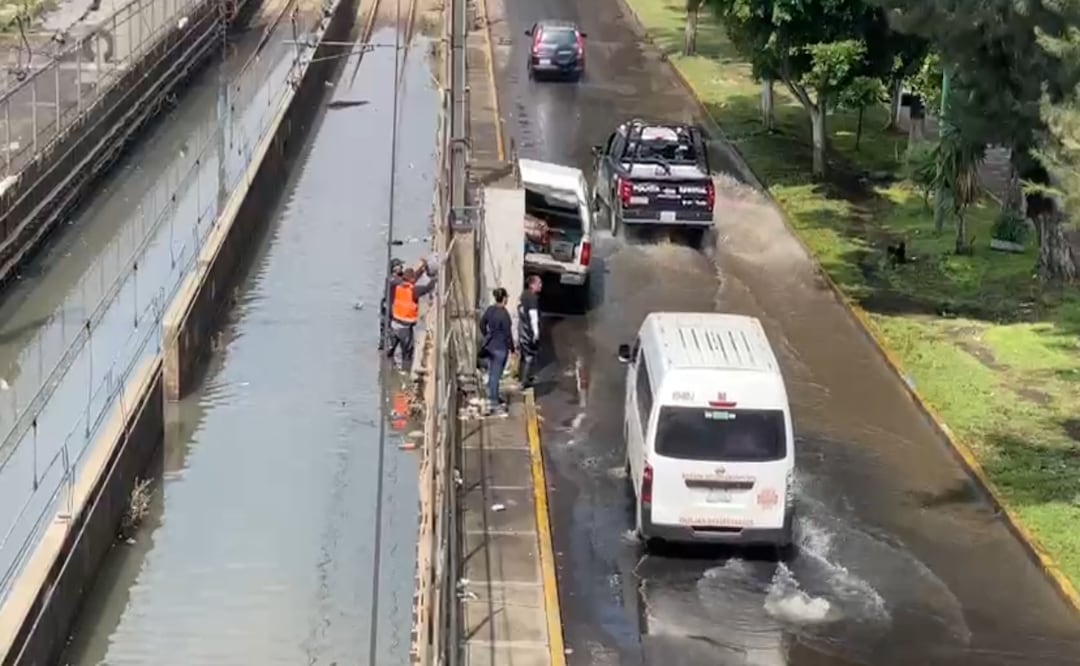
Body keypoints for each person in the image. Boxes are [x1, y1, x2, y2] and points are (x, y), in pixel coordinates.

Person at [387, 258, 436, 370]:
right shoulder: (414, 291)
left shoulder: (398, 286)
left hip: (394, 325)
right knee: (407, 356)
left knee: (391, 352)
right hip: (405, 329)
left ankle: (388, 370)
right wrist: (435, 279)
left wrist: (420, 270)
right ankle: (405, 374)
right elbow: (428, 288)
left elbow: (411, 279)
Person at [480, 287, 514, 415]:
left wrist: (487, 335)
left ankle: (492, 397)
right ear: (504, 299)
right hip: (501, 348)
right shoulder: (504, 315)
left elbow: (482, 324)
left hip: (490, 347)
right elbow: (507, 335)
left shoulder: (490, 310)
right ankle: (493, 401)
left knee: (491, 372)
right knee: (496, 375)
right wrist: (512, 349)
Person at [517, 275, 542, 389]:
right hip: (528, 331)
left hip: (522, 329)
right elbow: (533, 317)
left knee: (523, 355)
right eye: (539, 283)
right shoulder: (532, 298)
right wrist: (536, 333)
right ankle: (524, 381)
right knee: (529, 356)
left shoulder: (524, 294)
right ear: (532, 285)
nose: (541, 285)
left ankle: (522, 377)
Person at [378, 258, 405, 351]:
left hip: (387, 306)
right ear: (395, 268)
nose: (402, 267)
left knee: (386, 328)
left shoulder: (390, 279)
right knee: (390, 328)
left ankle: (384, 345)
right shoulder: (394, 280)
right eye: (400, 266)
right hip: (390, 307)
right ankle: (388, 347)